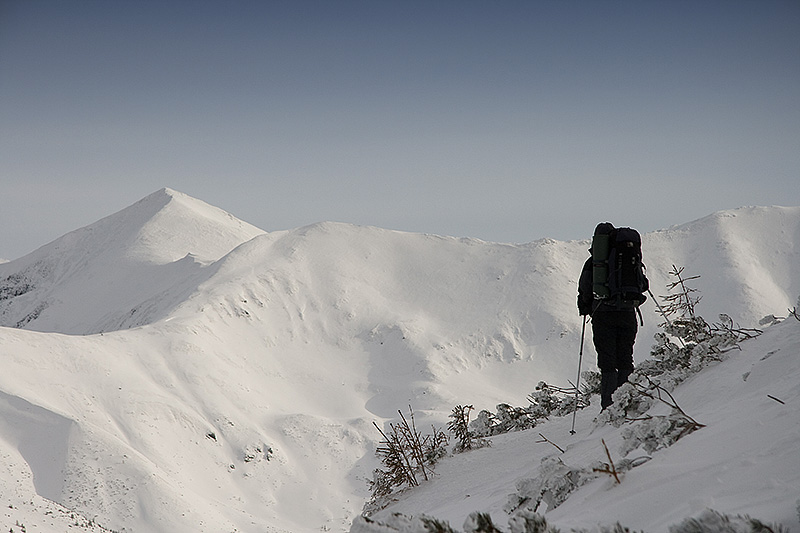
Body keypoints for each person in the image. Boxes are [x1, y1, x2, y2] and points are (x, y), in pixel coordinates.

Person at [577, 223, 648, 410]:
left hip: (603, 314)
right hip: (627, 313)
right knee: (626, 357)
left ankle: (608, 405)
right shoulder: (630, 256)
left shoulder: (595, 262)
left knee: (607, 361)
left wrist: (585, 306)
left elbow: (585, 288)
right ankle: (628, 400)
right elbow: (644, 284)